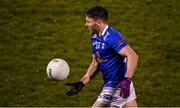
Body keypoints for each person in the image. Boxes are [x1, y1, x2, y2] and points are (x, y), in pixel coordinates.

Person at [65, 6, 139, 108]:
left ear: (99, 22)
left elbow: (133, 56)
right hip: (121, 86)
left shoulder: (112, 37)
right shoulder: (94, 37)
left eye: (88, 22)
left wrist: (127, 80)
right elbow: (96, 63)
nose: (86, 24)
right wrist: (82, 83)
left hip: (116, 86)